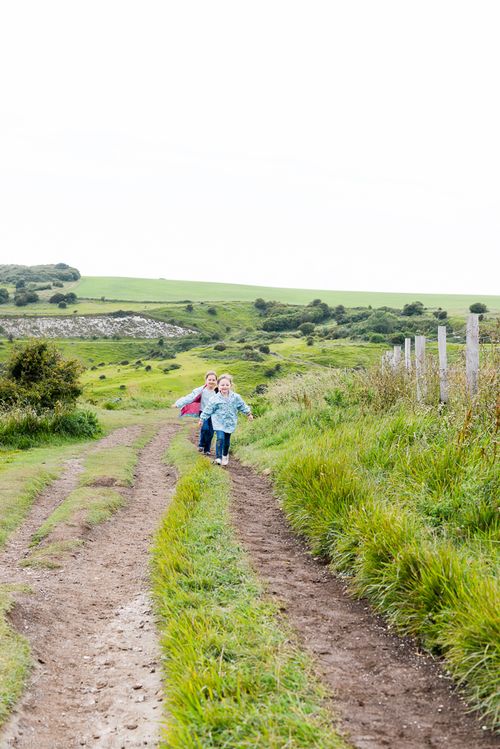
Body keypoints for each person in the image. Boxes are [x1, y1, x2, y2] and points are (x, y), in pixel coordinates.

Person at [198, 373, 253, 466]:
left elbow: (242, 406)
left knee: (226, 441)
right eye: (222, 385)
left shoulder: (236, 397)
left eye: (227, 385)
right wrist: (202, 419)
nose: (224, 387)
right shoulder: (214, 398)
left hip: (230, 422)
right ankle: (218, 458)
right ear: (218, 386)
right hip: (218, 422)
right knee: (220, 438)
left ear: (230, 386)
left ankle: (225, 455)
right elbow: (208, 409)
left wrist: (248, 413)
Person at [173, 371, 218, 454]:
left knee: (211, 432)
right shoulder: (201, 390)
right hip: (203, 412)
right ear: (206, 380)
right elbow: (189, 397)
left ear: (216, 381)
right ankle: (201, 444)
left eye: (213, 380)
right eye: (209, 379)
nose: (211, 381)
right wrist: (178, 404)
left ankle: (207, 449)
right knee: (204, 428)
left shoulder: (218, 391)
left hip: (214, 415)